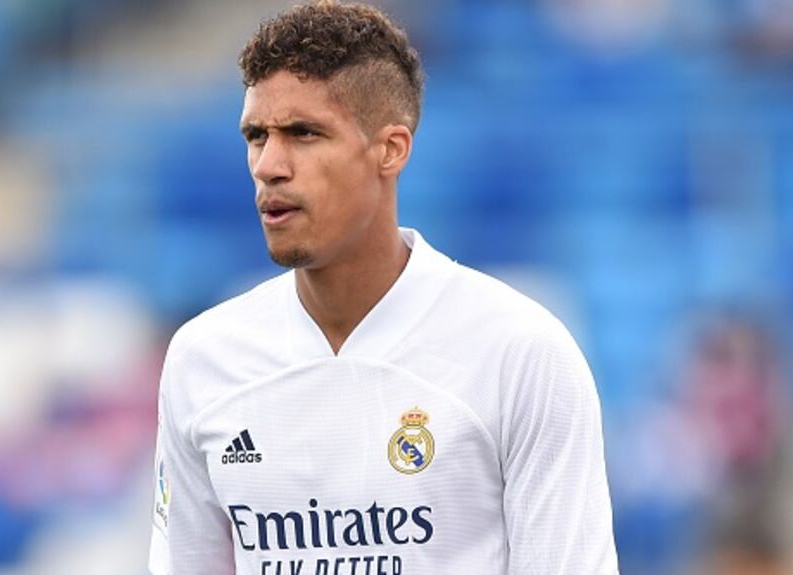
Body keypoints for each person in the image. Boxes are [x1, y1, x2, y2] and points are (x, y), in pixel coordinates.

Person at [149, 2, 619, 573]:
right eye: (256, 136)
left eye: (303, 133)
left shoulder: (520, 353)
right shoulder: (204, 359)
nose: (269, 165)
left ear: (391, 149)